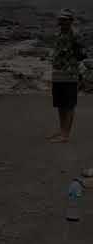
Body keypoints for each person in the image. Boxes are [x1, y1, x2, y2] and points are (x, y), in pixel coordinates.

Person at [47, 8, 87, 143]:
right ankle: (61, 130)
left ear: (71, 20)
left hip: (69, 74)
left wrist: (74, 66)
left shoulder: (75, 35)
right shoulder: (59, 34)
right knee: (60, 104)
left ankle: (65, 135)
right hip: (58, 73)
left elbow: (82, 53)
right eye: (61, 19)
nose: (62, 21)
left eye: (65, 19)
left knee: (69, 104)